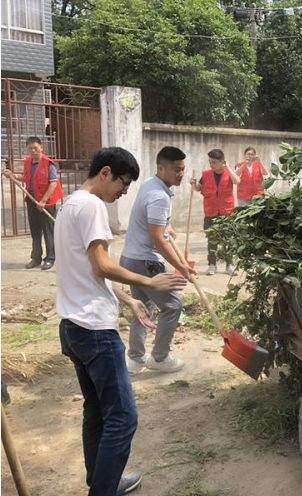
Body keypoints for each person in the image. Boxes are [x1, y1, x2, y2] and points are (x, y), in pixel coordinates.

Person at [55, 147, 187, 496]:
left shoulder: (70, 204)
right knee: (124, 418)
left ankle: (102, 481)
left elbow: (88, 271)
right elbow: (101, 265)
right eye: (123, 183)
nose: (124, 191)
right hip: (95, 331)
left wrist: (127, 299)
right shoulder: (94, 206)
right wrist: (146, 283)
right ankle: (103, 489)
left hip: (71, 326)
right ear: (106, 173)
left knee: (97, 410)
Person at [120, 146, 197, 375]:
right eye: (176, 170)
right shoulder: (159, 196)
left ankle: (135, 358)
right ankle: (160, 358)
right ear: (161, 168)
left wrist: (166, 226)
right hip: (145, 261)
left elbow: (155, 225)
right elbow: (158, 240)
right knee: (173, 305)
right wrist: (181, 267)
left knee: (143, 306)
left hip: (131, 258)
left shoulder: (150, 185)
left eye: (182, 169)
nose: (180, 174)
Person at [2, 136, 64, 270]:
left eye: (36, 148)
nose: (33, 151)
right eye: (30, 149)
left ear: (41, 148)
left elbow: (53, 184)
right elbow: (26, 178)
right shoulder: (28, 162)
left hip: (46, 202)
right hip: (32, 201)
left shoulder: (48, 164)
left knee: (48, 231)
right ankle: (36, 258)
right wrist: (12, 175)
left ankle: (50, 258)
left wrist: (43, 201)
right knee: (35, 231)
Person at [191, 148, 240, 276]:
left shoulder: (229, 174)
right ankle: (212, 265)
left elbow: (237, 181)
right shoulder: (206, 174)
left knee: (227, 240)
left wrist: (227, 167)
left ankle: (229, 265)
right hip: (210, 212)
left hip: (226, 213)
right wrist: (194, 184)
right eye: (210, 162)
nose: (211, 164)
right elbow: (198, 188)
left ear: (221, 162)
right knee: (212, 241)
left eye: (213, 162)